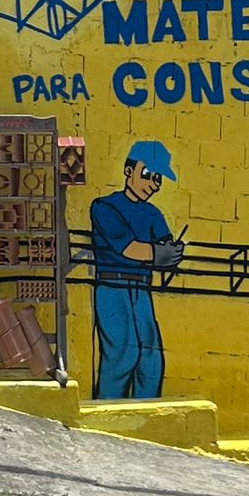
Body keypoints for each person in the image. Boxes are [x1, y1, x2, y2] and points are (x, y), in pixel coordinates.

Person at [88, 140, 185, 400]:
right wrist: (159, 254)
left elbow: (163, 243)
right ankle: (107, 413)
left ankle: (146, 412)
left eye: (158, 178)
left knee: (150, 360)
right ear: (128, 171)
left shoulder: (152, 213)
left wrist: (172, 251)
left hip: (141, 288)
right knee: (122, 355)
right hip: (113, 287)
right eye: (147, 174)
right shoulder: (105, 207)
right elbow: (128, 248)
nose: (153, 183)